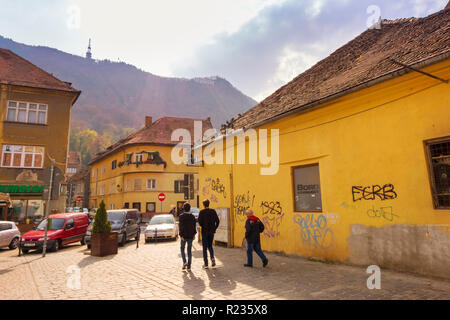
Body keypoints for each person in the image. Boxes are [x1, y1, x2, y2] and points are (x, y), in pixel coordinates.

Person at [198, 199, 220, 269]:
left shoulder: (202, 212)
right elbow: (218, 221)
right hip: (211, 232)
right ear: (209, 204)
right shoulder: (213, 211)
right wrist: (214, 228)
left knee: (204, 247)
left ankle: (206, 264)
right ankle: (212, 258)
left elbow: (200, 222)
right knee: (210, 246)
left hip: (204, 232)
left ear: (204, 205)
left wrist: (203, 225)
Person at [178, 202, 197, 271]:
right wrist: (194, 235)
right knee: (189, 251)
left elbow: (180, 227)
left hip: (183, 236)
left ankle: (184, 262)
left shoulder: (181, 216)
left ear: (184, 208)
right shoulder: (192, 216)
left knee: (182, 249)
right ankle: (189, 266)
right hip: (190, 236)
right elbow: (194, 227)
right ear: (190, 208)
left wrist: (180, 235)